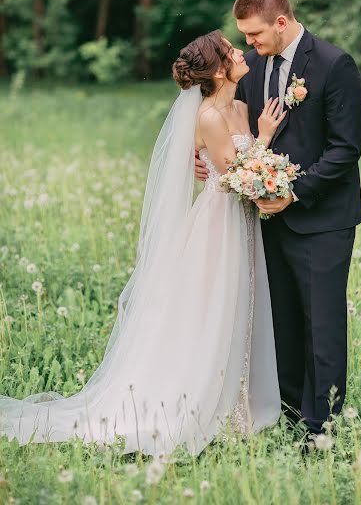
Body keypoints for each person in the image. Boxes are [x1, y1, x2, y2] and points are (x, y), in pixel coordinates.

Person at [0, 30, 281, 457]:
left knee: (240, 305)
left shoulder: (241, 105)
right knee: (214, 308)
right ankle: (199, 403)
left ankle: (237, 402)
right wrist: (264, 136)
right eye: (231, 49)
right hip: (219, 223)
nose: (240, 52)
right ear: (220, 68)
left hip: (241, 222)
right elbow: (240, 177)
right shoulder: (208, 116)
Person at [196, 0, 361, 435]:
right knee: (282, 323)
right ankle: (289, 416)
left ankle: (321, 428)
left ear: (282, 22)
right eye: (244, 37)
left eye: (254, 34)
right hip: (265, 221)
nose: (247, 44)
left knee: (321, 326)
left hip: (322, 220)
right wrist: (212, 159)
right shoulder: (250, 65)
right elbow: (229, 124)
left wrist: (294, 192)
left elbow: (345, 149)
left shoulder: (334, 64)